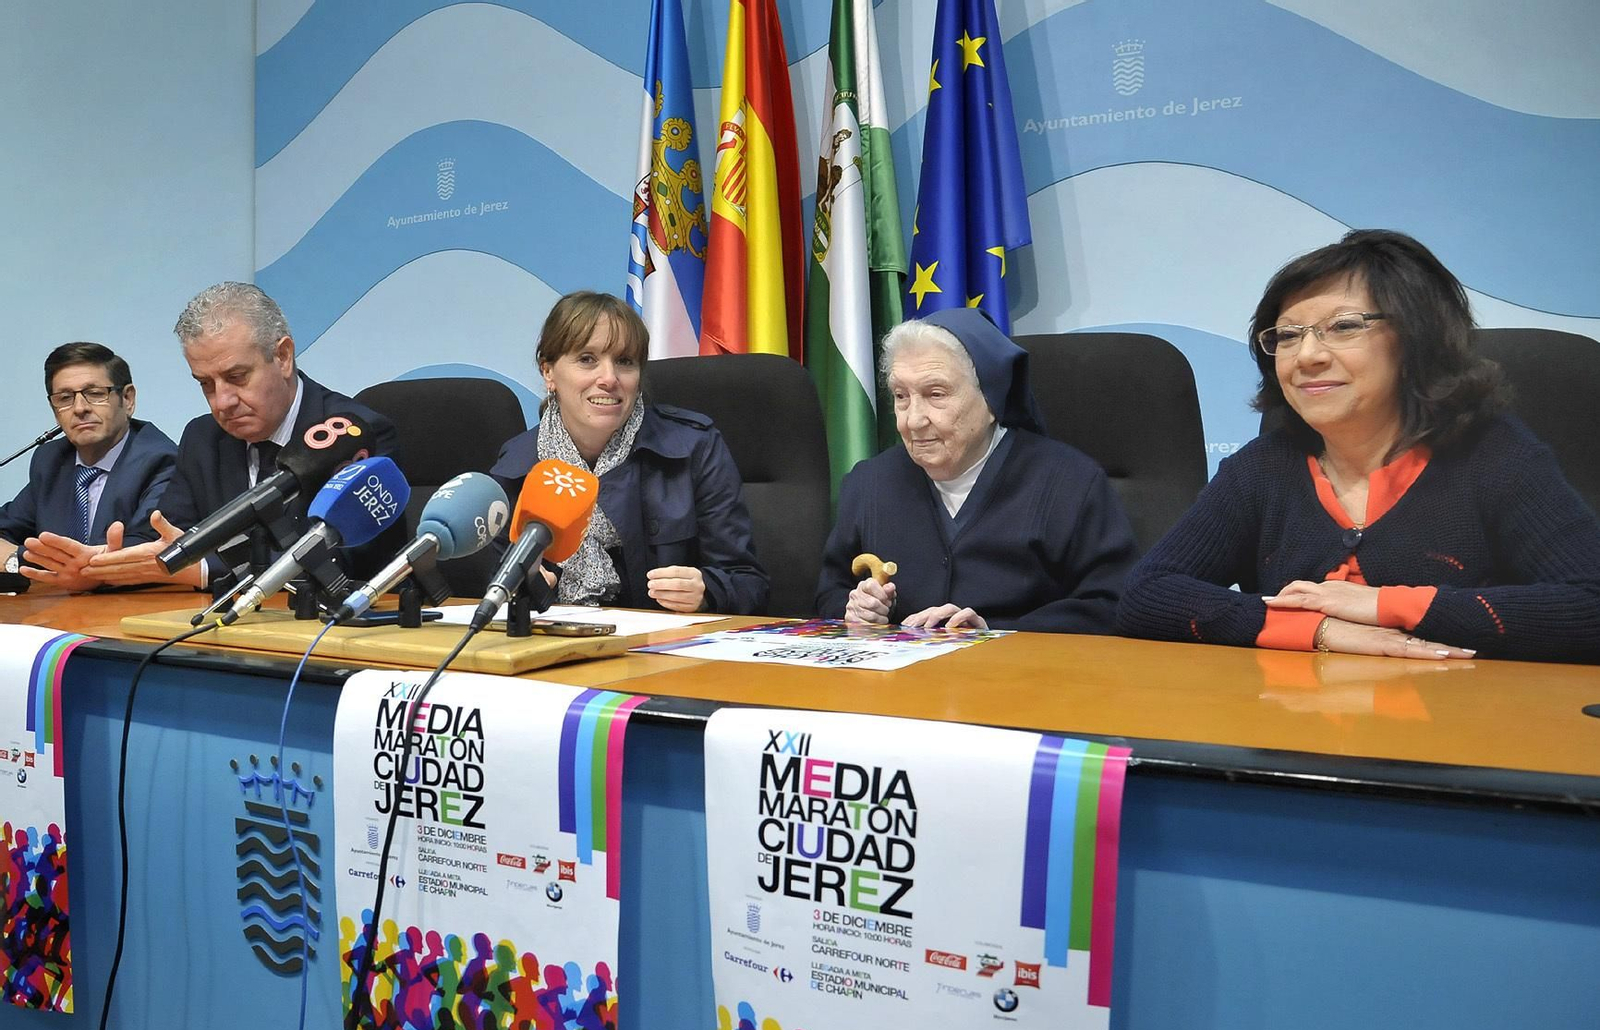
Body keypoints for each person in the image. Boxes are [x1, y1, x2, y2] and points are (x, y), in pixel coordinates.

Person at [1115, 228, 1600, 663]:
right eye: (1287, 335)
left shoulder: (1494, 456)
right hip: (1293, 732)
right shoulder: (1263, 468)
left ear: (1415, 338)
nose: (1307, 356)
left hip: (1458, 731)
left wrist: (1386, 605)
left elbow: (1590, 604)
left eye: (1344, 327)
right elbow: (1147, 594)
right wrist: (1316, 629)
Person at [27, 282, 401, 593]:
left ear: (283, 356)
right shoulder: (203, 438)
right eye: (205, 384)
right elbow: (162, 537)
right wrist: (100, 564)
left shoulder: (354, 434)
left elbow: (346, 560)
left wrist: (202, 568)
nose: (222, 402)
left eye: (237, 377)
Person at [815, 308, 1137, 632]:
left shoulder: (1071, 483)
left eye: (935, 395)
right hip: (897, 678)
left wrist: (995, 632)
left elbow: (1111, 603)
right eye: (901, 396)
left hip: (1026, 675)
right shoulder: (869, 483)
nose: (913, 420)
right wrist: (859, 609)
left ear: (991, 400)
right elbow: (830, 592)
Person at [488, 291, 768, 614]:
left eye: (624, 362)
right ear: (548, 372)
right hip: (553, 650)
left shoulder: (694, 447)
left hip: (661, 653)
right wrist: (523, 591)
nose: (609, 379)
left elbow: (750, 583)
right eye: (587, 359)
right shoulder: (517, 466)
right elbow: (494, 587)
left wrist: (707, 592)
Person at [1, 343, 177, 590]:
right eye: (65, 398)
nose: (80, 408)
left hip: (130, 608)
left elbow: (139, 552)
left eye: (95, 393)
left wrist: (14, 559)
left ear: (127, 399)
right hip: (58, 614)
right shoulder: (51, 460)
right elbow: (6, 527)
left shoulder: (161, 460)